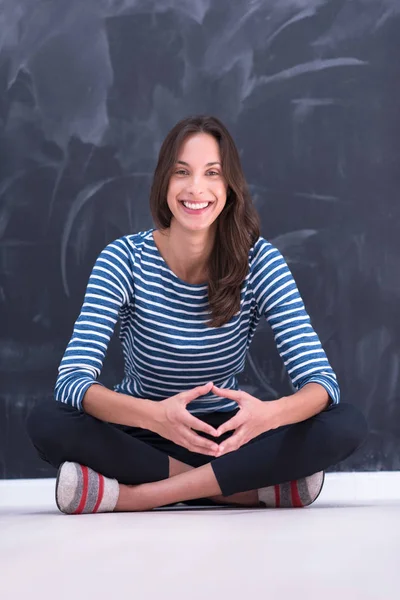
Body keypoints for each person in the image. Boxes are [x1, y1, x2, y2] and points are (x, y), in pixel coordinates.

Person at [27, 115, 368, 515]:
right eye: (181, 172)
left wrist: (267, 417)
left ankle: (138, 496)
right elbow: (72, 382)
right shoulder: (121, 260)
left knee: (345, 422)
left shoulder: (261, 263)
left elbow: (322, 384)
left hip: (228, 436)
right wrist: (157, 417)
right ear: (163, 183)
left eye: (213, 174)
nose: (196, 188)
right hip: (141, 430)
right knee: (48, 420)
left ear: (229, 186)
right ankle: (244, 490)